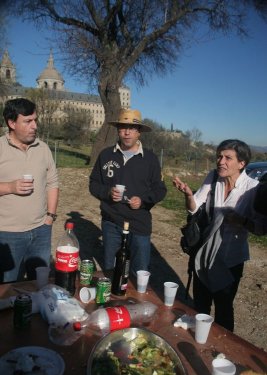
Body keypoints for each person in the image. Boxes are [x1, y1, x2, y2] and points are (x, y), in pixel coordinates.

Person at [173, 139, 265, 332]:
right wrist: (189, 195)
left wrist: (242, 221)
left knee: (223, 309)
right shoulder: (214, 177)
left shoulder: (253, 188)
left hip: (230, 259)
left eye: (227, 158)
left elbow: (261, 228)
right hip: (204, 253)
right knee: (201, 304)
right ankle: (199, 342)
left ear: (242, 163)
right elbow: (194, 208)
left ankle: (223, 350)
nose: (220, 161)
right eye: (219, 156)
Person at [89, 108, 167, 274]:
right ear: (118, 130)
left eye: (132, 128)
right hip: (111, 222)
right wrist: (108, 192)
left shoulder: (150, 159)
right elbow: (94, 184)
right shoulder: (106, 155)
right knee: (112, 270)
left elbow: (160, 189)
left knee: (139, 272)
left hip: (139, 224)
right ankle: (113, 299)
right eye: (123, 128)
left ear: (139, 132)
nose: (127, 132)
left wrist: (143, 200)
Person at [0, 98, 59, 283]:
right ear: (11, 123)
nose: (34, 126)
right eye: (27, 121)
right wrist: (10, 187)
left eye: (35, 120)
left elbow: (52, 182)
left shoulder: (43, 148)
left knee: (40, 284)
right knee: (8, 288)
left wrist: (50, 217)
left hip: (41, 230)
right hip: (8, 234)